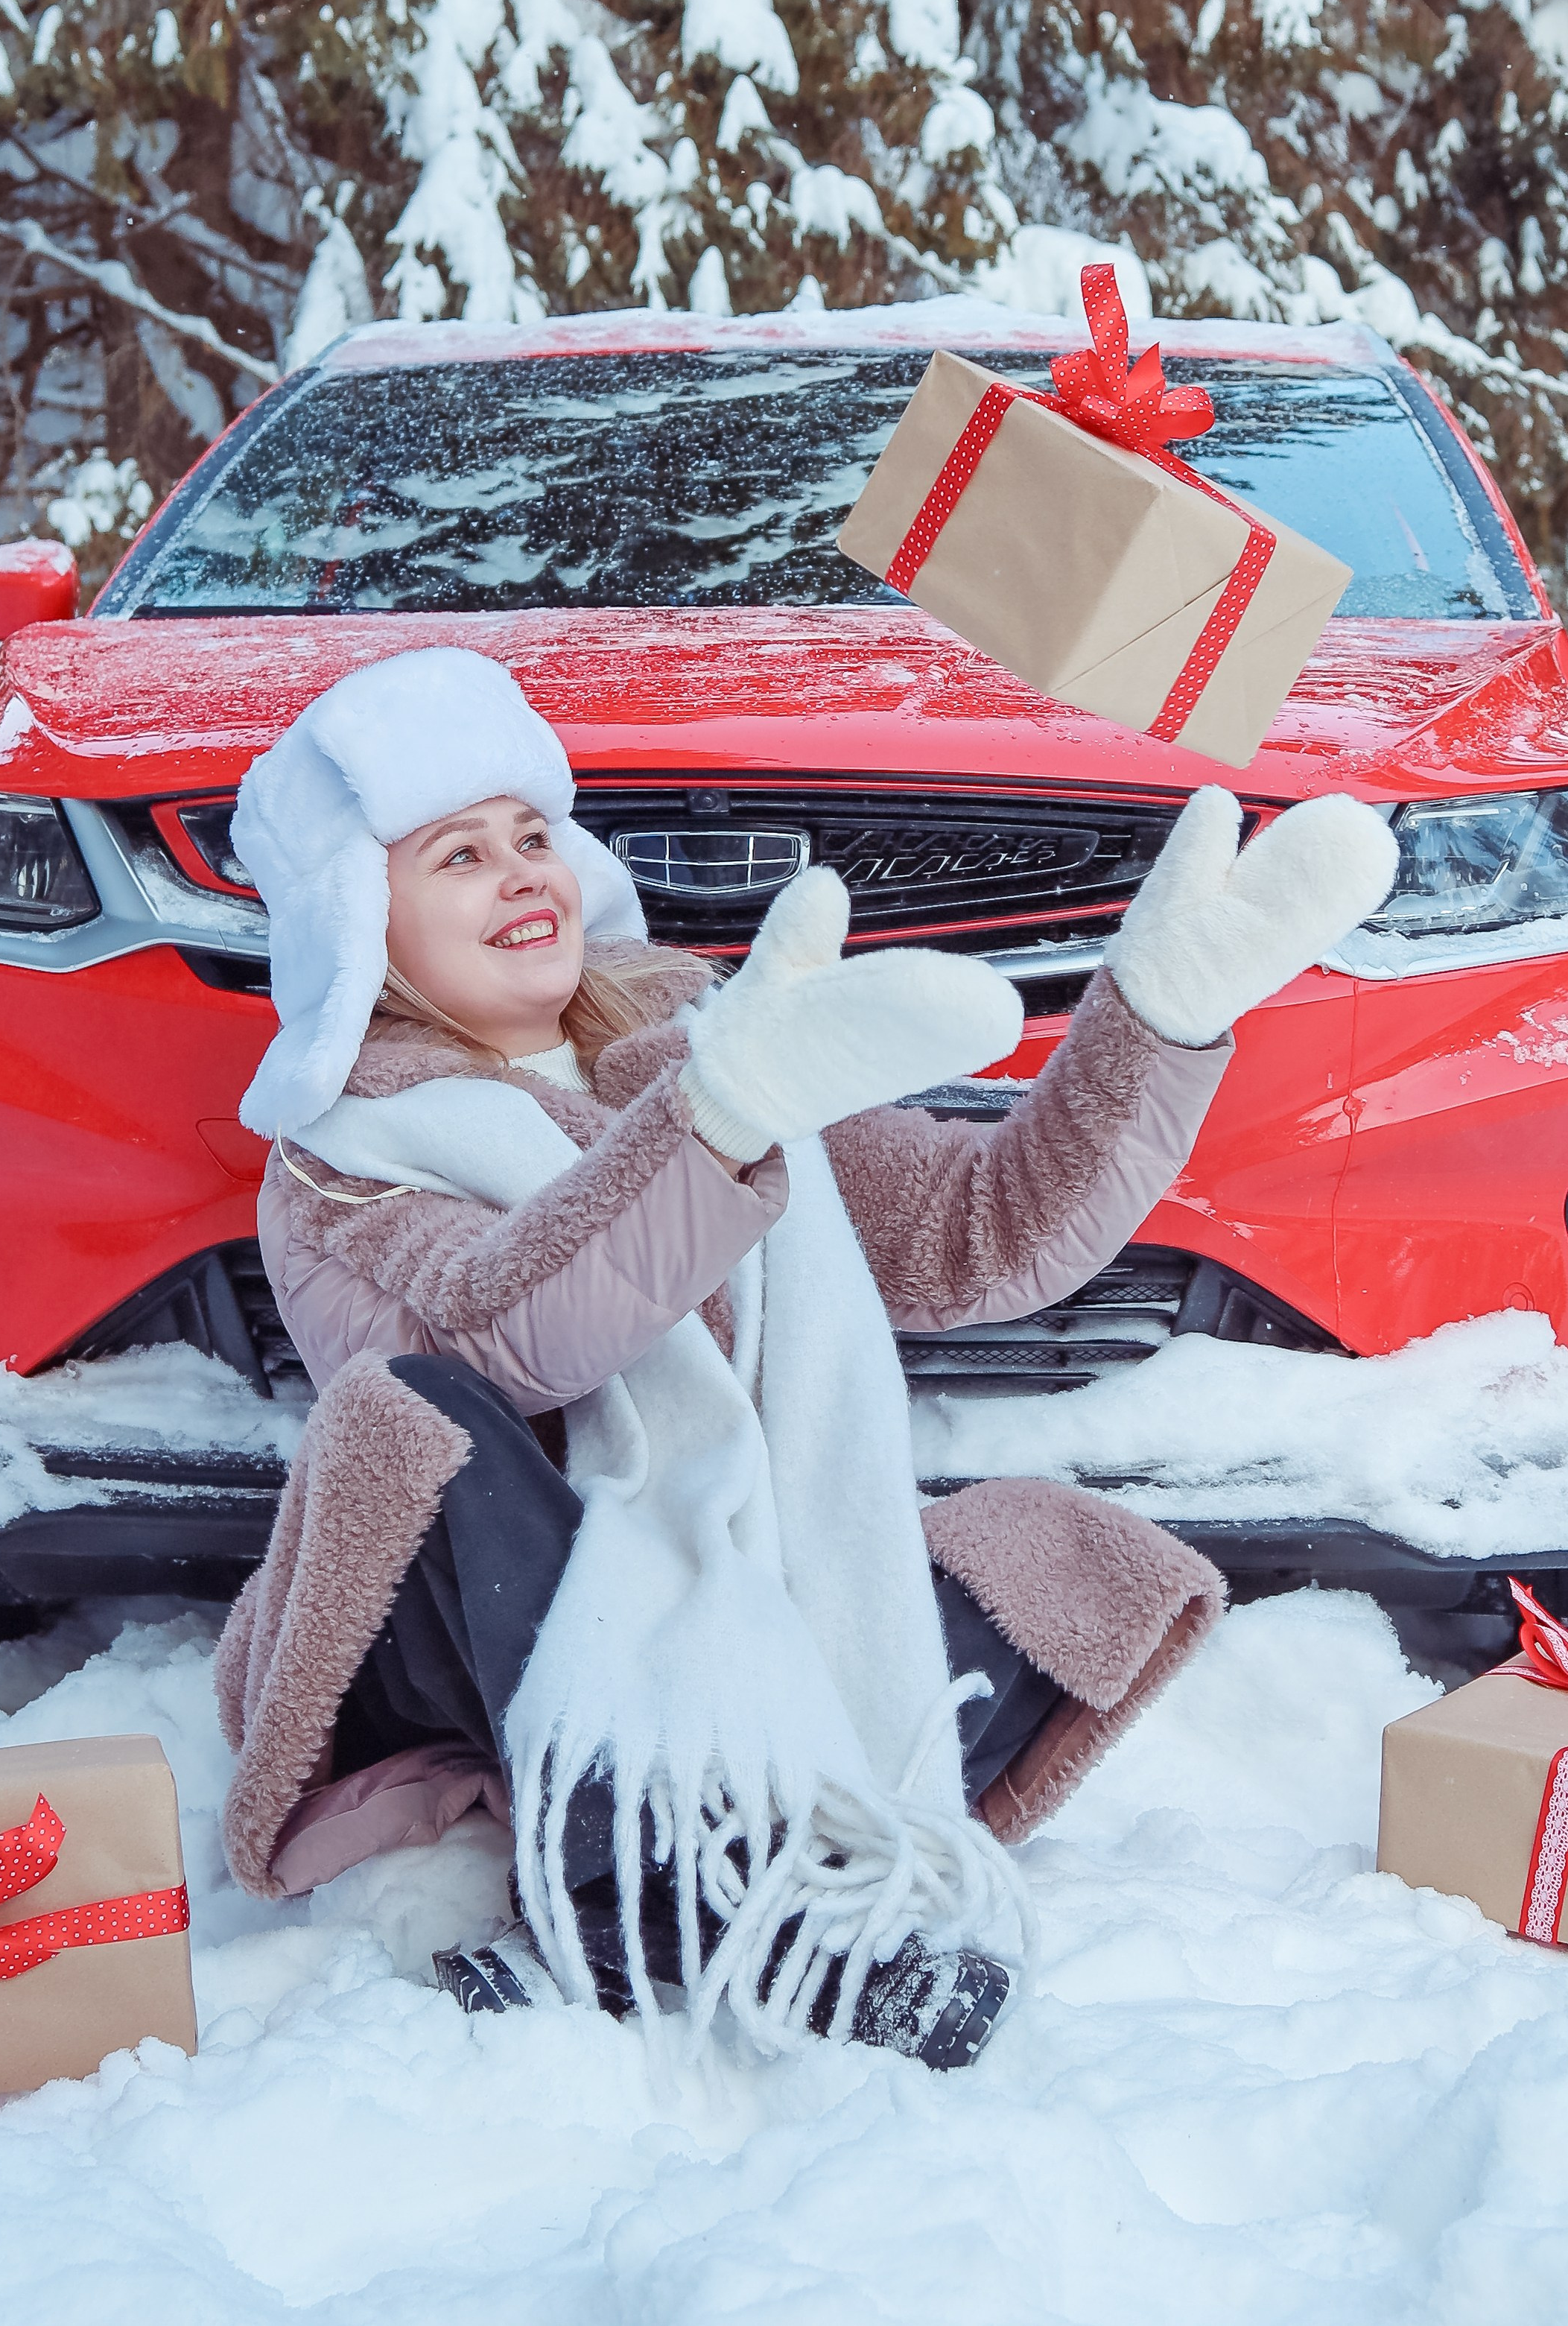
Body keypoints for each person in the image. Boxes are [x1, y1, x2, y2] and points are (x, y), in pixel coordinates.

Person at [214, 647, 1395, 2069]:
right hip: (488, 1630)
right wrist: (718, 1123)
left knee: (1044, 1567)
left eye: (533, 833)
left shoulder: (695, 1056)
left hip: (726, 1610)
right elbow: (511, 1336)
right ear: (360, 924)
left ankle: (768, 1820)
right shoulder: (346, 1158)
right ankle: (716, 1923)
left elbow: (982, 1230)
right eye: (456, 855)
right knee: (416, 1418)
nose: (521, 871)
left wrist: (1153, 1018)